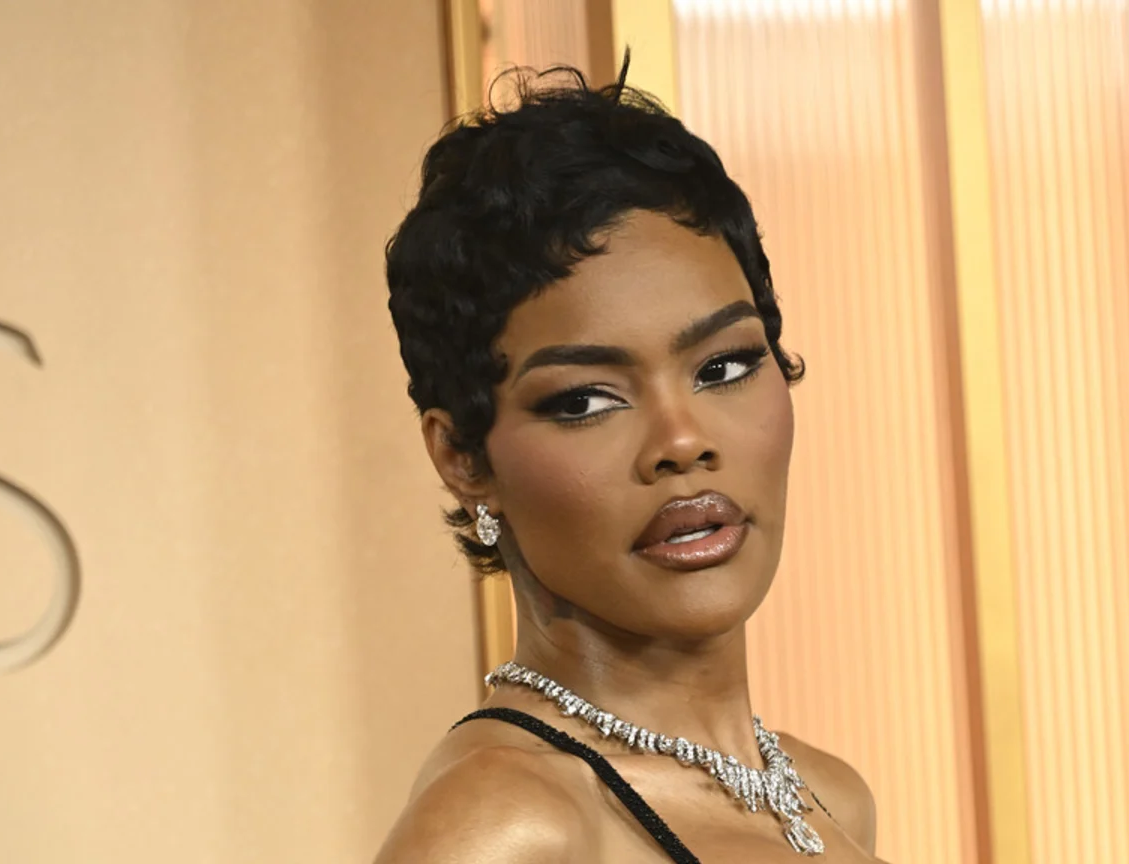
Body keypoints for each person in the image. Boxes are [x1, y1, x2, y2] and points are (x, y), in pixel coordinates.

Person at [374, 58, 885, 863]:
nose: (683, 442)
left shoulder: (831, 797)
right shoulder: (506, 830)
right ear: (464, 457)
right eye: (584, 400)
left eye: (723, 366)